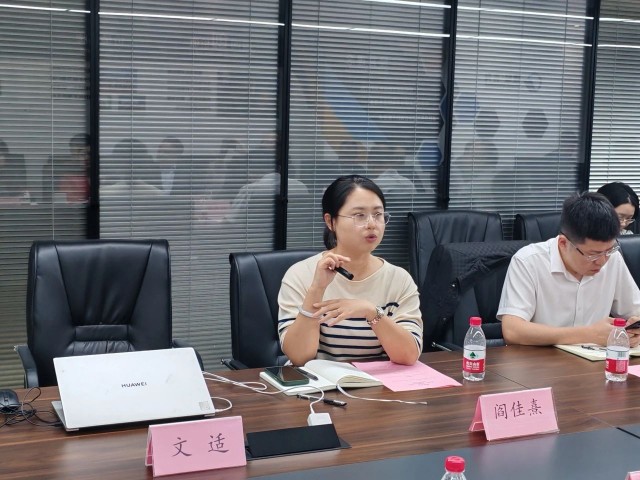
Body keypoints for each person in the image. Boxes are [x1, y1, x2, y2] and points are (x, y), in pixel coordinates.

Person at [277, 175, 423, 366]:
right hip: (319, 382)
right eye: (359, 215)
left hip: (377, 381)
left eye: (378, 214)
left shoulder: (399, 279)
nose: (372, 224)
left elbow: (408, 356)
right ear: (330, 221)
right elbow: (299, 356)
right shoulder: (300, 274)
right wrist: (317, 289)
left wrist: (371, 312)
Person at [498, 191, 640, 347]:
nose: (602, 261)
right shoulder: (528, 261)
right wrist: (588, 335)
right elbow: (512, 331)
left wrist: (634, 329)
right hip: (540, 359)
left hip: (597, 359)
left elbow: (635, 311)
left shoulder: (612, 258)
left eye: (609, 250)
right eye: (593, 254)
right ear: (563, 244)